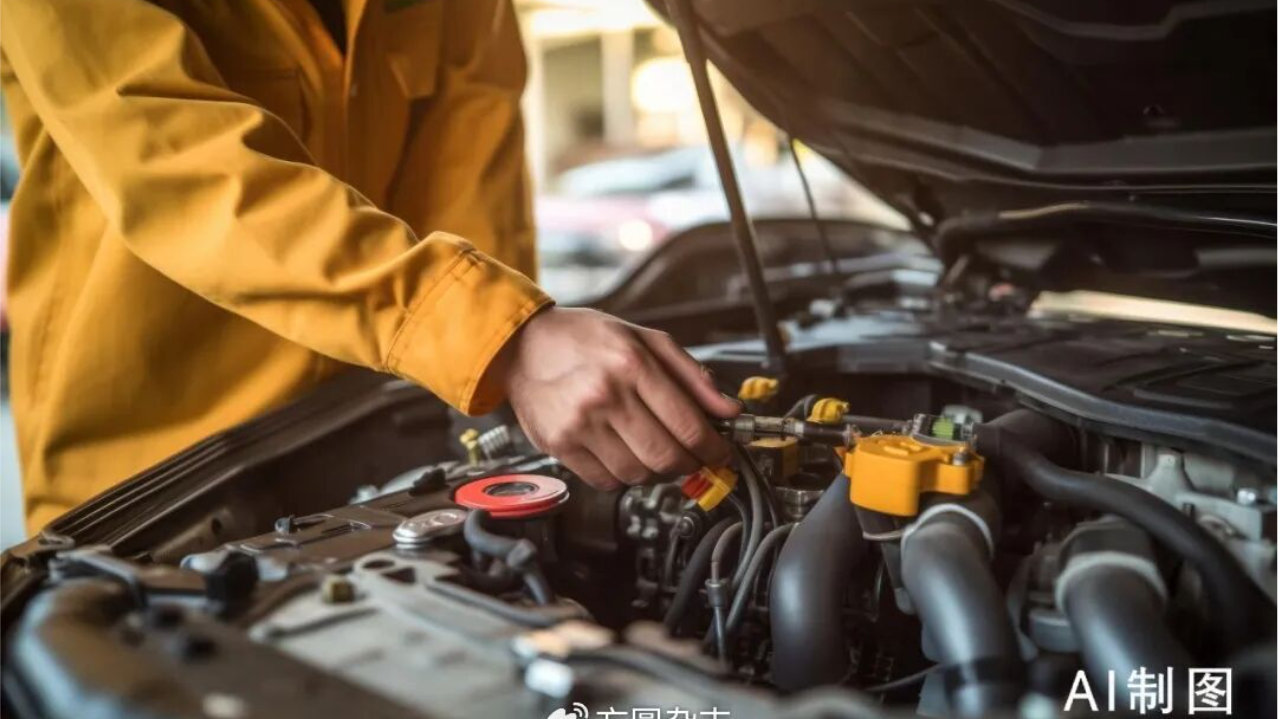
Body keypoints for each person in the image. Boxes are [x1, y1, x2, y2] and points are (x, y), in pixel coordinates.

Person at [0, 0, 739, 534]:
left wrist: (512, 373)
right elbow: (179, 169)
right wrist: (506, 338)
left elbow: (474, 188)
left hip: (373, 441)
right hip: (159, 481)